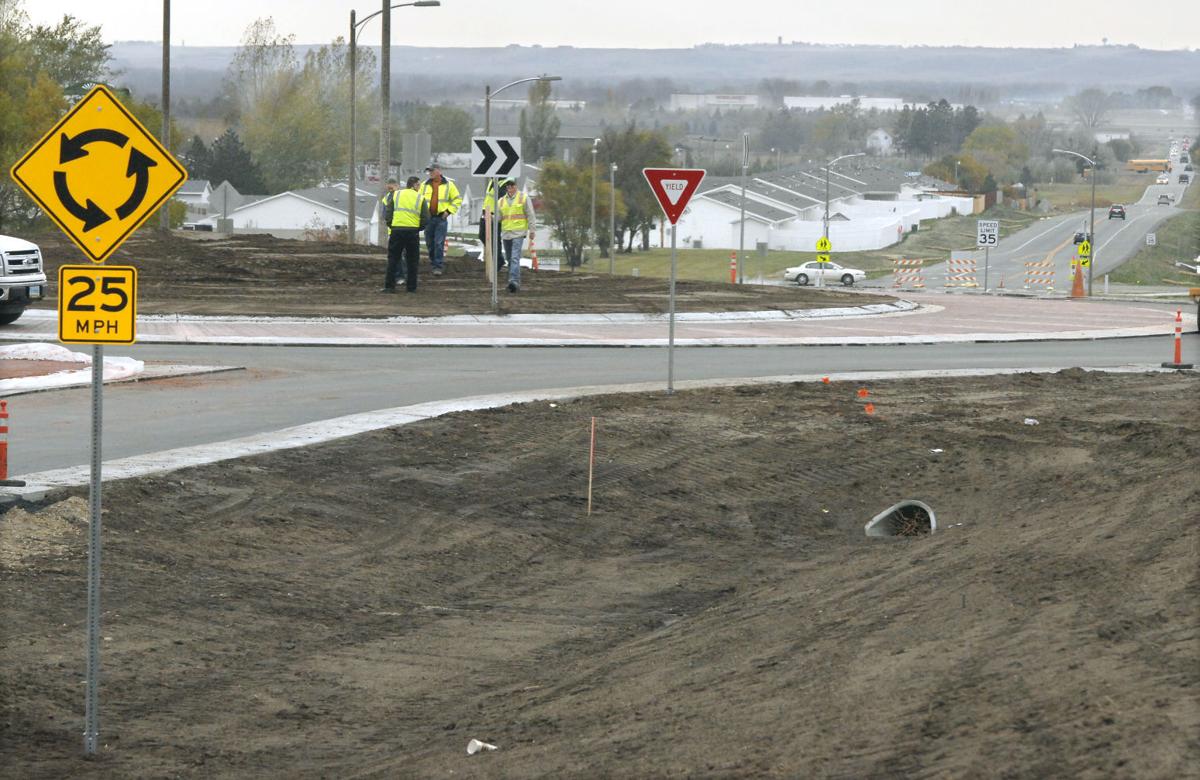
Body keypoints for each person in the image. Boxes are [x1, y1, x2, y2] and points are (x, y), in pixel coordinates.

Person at [380, 176, 429, 293]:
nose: (420, 187)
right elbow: (425, 218)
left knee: (393, 259)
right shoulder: (420, 198)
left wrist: (391, 225)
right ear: (414, 185)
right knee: (412, 260)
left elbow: (388, 212)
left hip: (397, 230)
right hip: (412, 232)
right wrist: (418, 228)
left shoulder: (396, 195)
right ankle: (411, 288)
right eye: (419, 185)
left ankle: (389, 287)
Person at [420, 164, 461, 276]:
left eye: (432, 171)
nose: (430, 173)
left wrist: (448, 211)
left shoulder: (449, 185)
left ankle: (437, 266)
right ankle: (434, 262)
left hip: (440, 218)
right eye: (429, 171)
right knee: (429, 243)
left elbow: (457, 200)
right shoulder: (424, 185)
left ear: (439, 171)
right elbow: (419, 200)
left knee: (439, 243)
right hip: (428, 219)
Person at [497, 179, 536, 293]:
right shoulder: (501, 201)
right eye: (508, 186)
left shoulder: (523, 198)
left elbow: (530, 214)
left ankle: (513, 281)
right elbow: (499, 217)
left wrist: (532, 230)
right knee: (510, 259)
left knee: (514, 258)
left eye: (511, 185)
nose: (509, 187)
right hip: (506, 233)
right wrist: (490, 218)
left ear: (515, 186)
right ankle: (515, 282)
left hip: (518, 232)